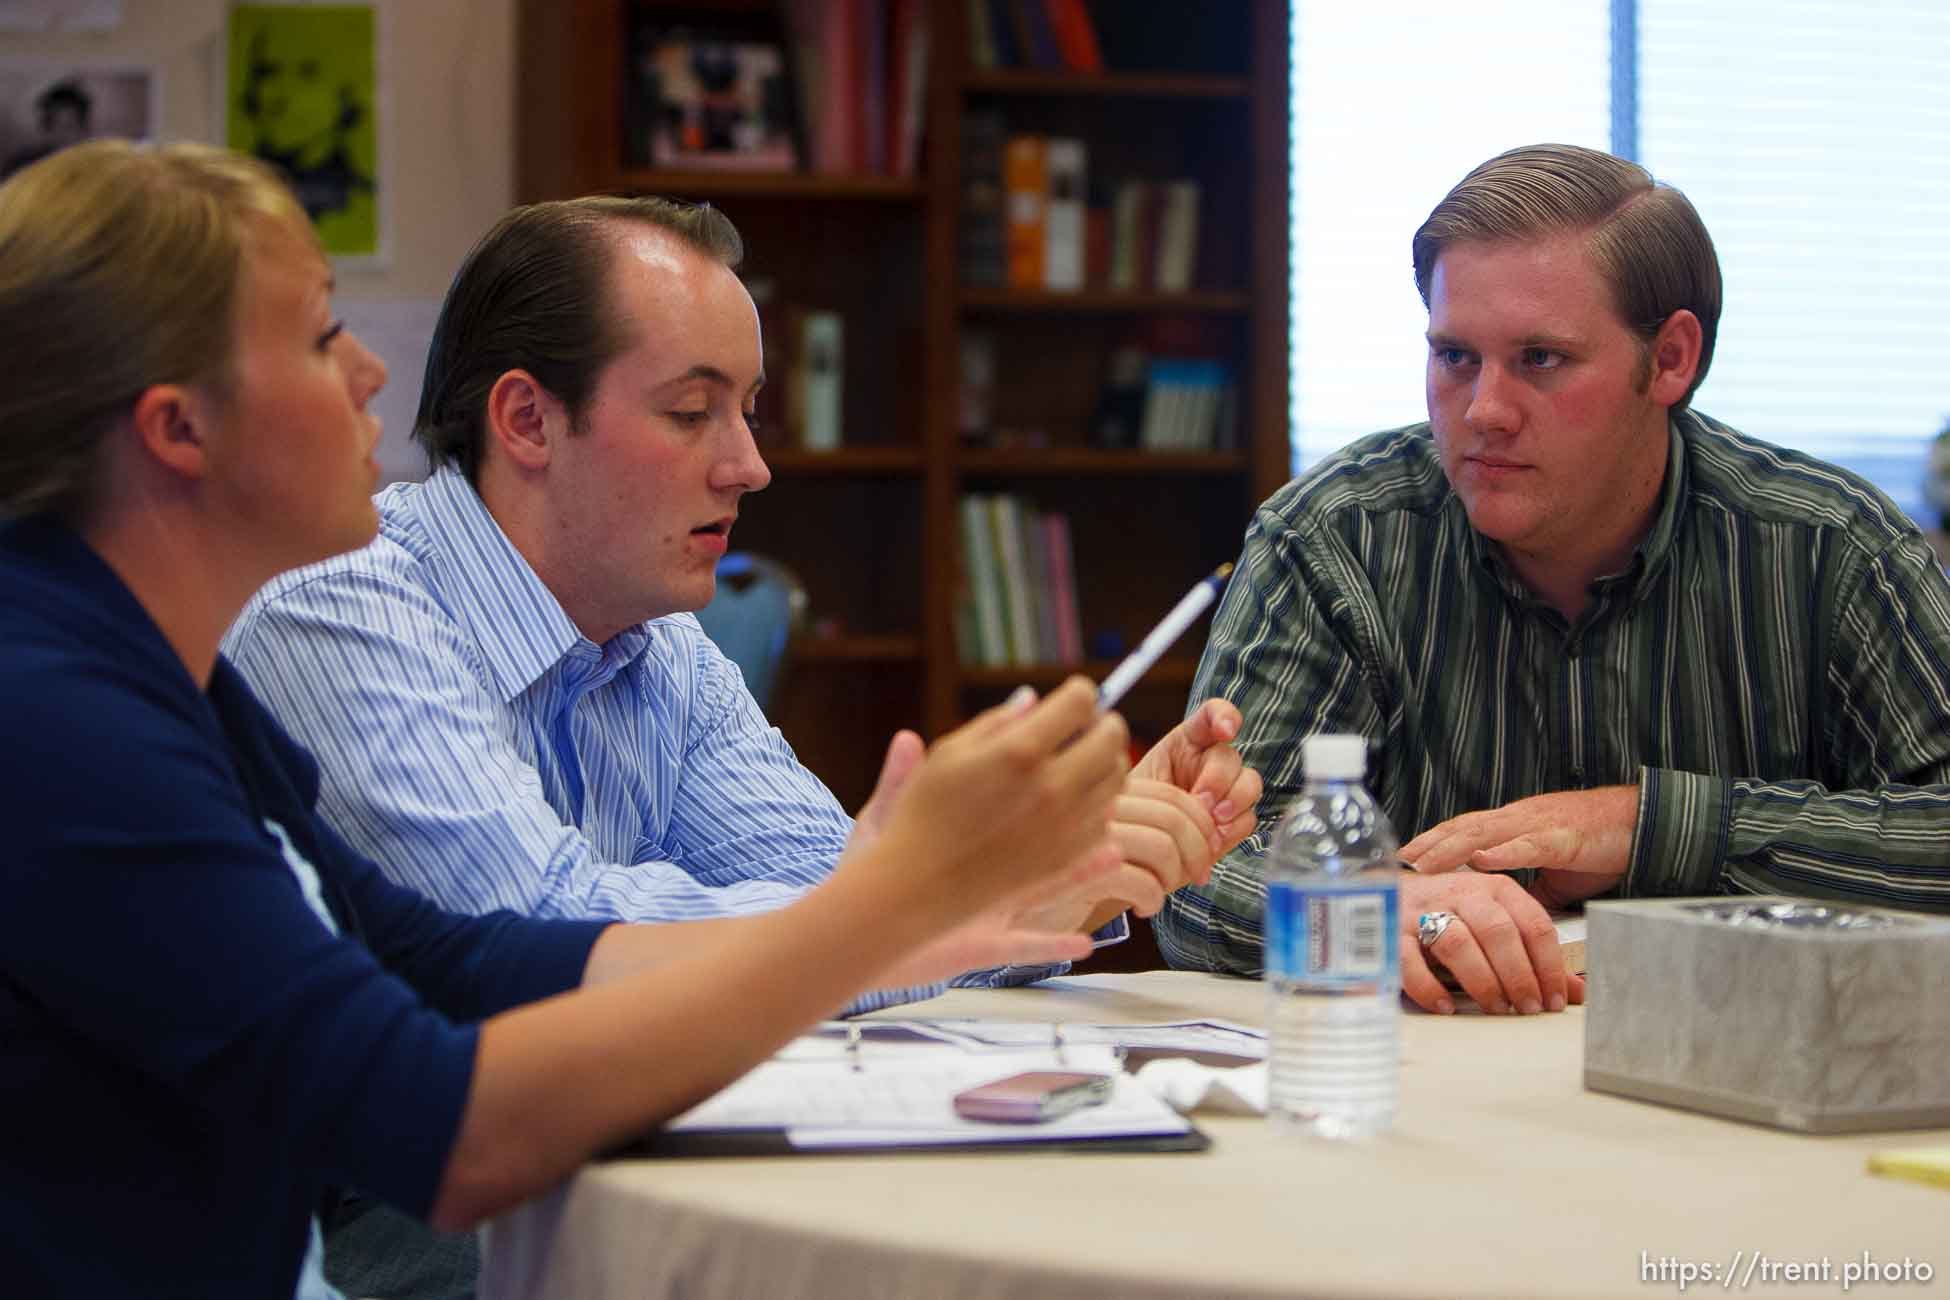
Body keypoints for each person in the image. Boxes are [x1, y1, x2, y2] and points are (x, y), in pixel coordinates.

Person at [0, 139, 1138, 1300]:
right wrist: (887, 904)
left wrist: (949, 898)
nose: (370, 376)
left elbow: (449, 954)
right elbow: (444, 1125)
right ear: (177, 430)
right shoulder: (58, 720)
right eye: (319, 337)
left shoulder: (149, 672)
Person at [219, 194, 1261, 1294]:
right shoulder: (339, 603)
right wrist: (927, 897)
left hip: (594, 1139)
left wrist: (1047, 873)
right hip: (379, 1204)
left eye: (751, 411)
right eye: (691, 412)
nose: (749, 465)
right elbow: (543, 941)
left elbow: (834, 894)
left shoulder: (660, 636)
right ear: (526, 420)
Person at [1158, 141, 1950, 1015]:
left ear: (1672, 359)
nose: (1485, 411)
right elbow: (1189, 870)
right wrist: (1369, 907)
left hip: (1758, 1071)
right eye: (1455, 357)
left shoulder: (1827, 547)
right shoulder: (1337, 537)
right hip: (1434, 1096)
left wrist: (1657, 826)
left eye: (1540, 359)